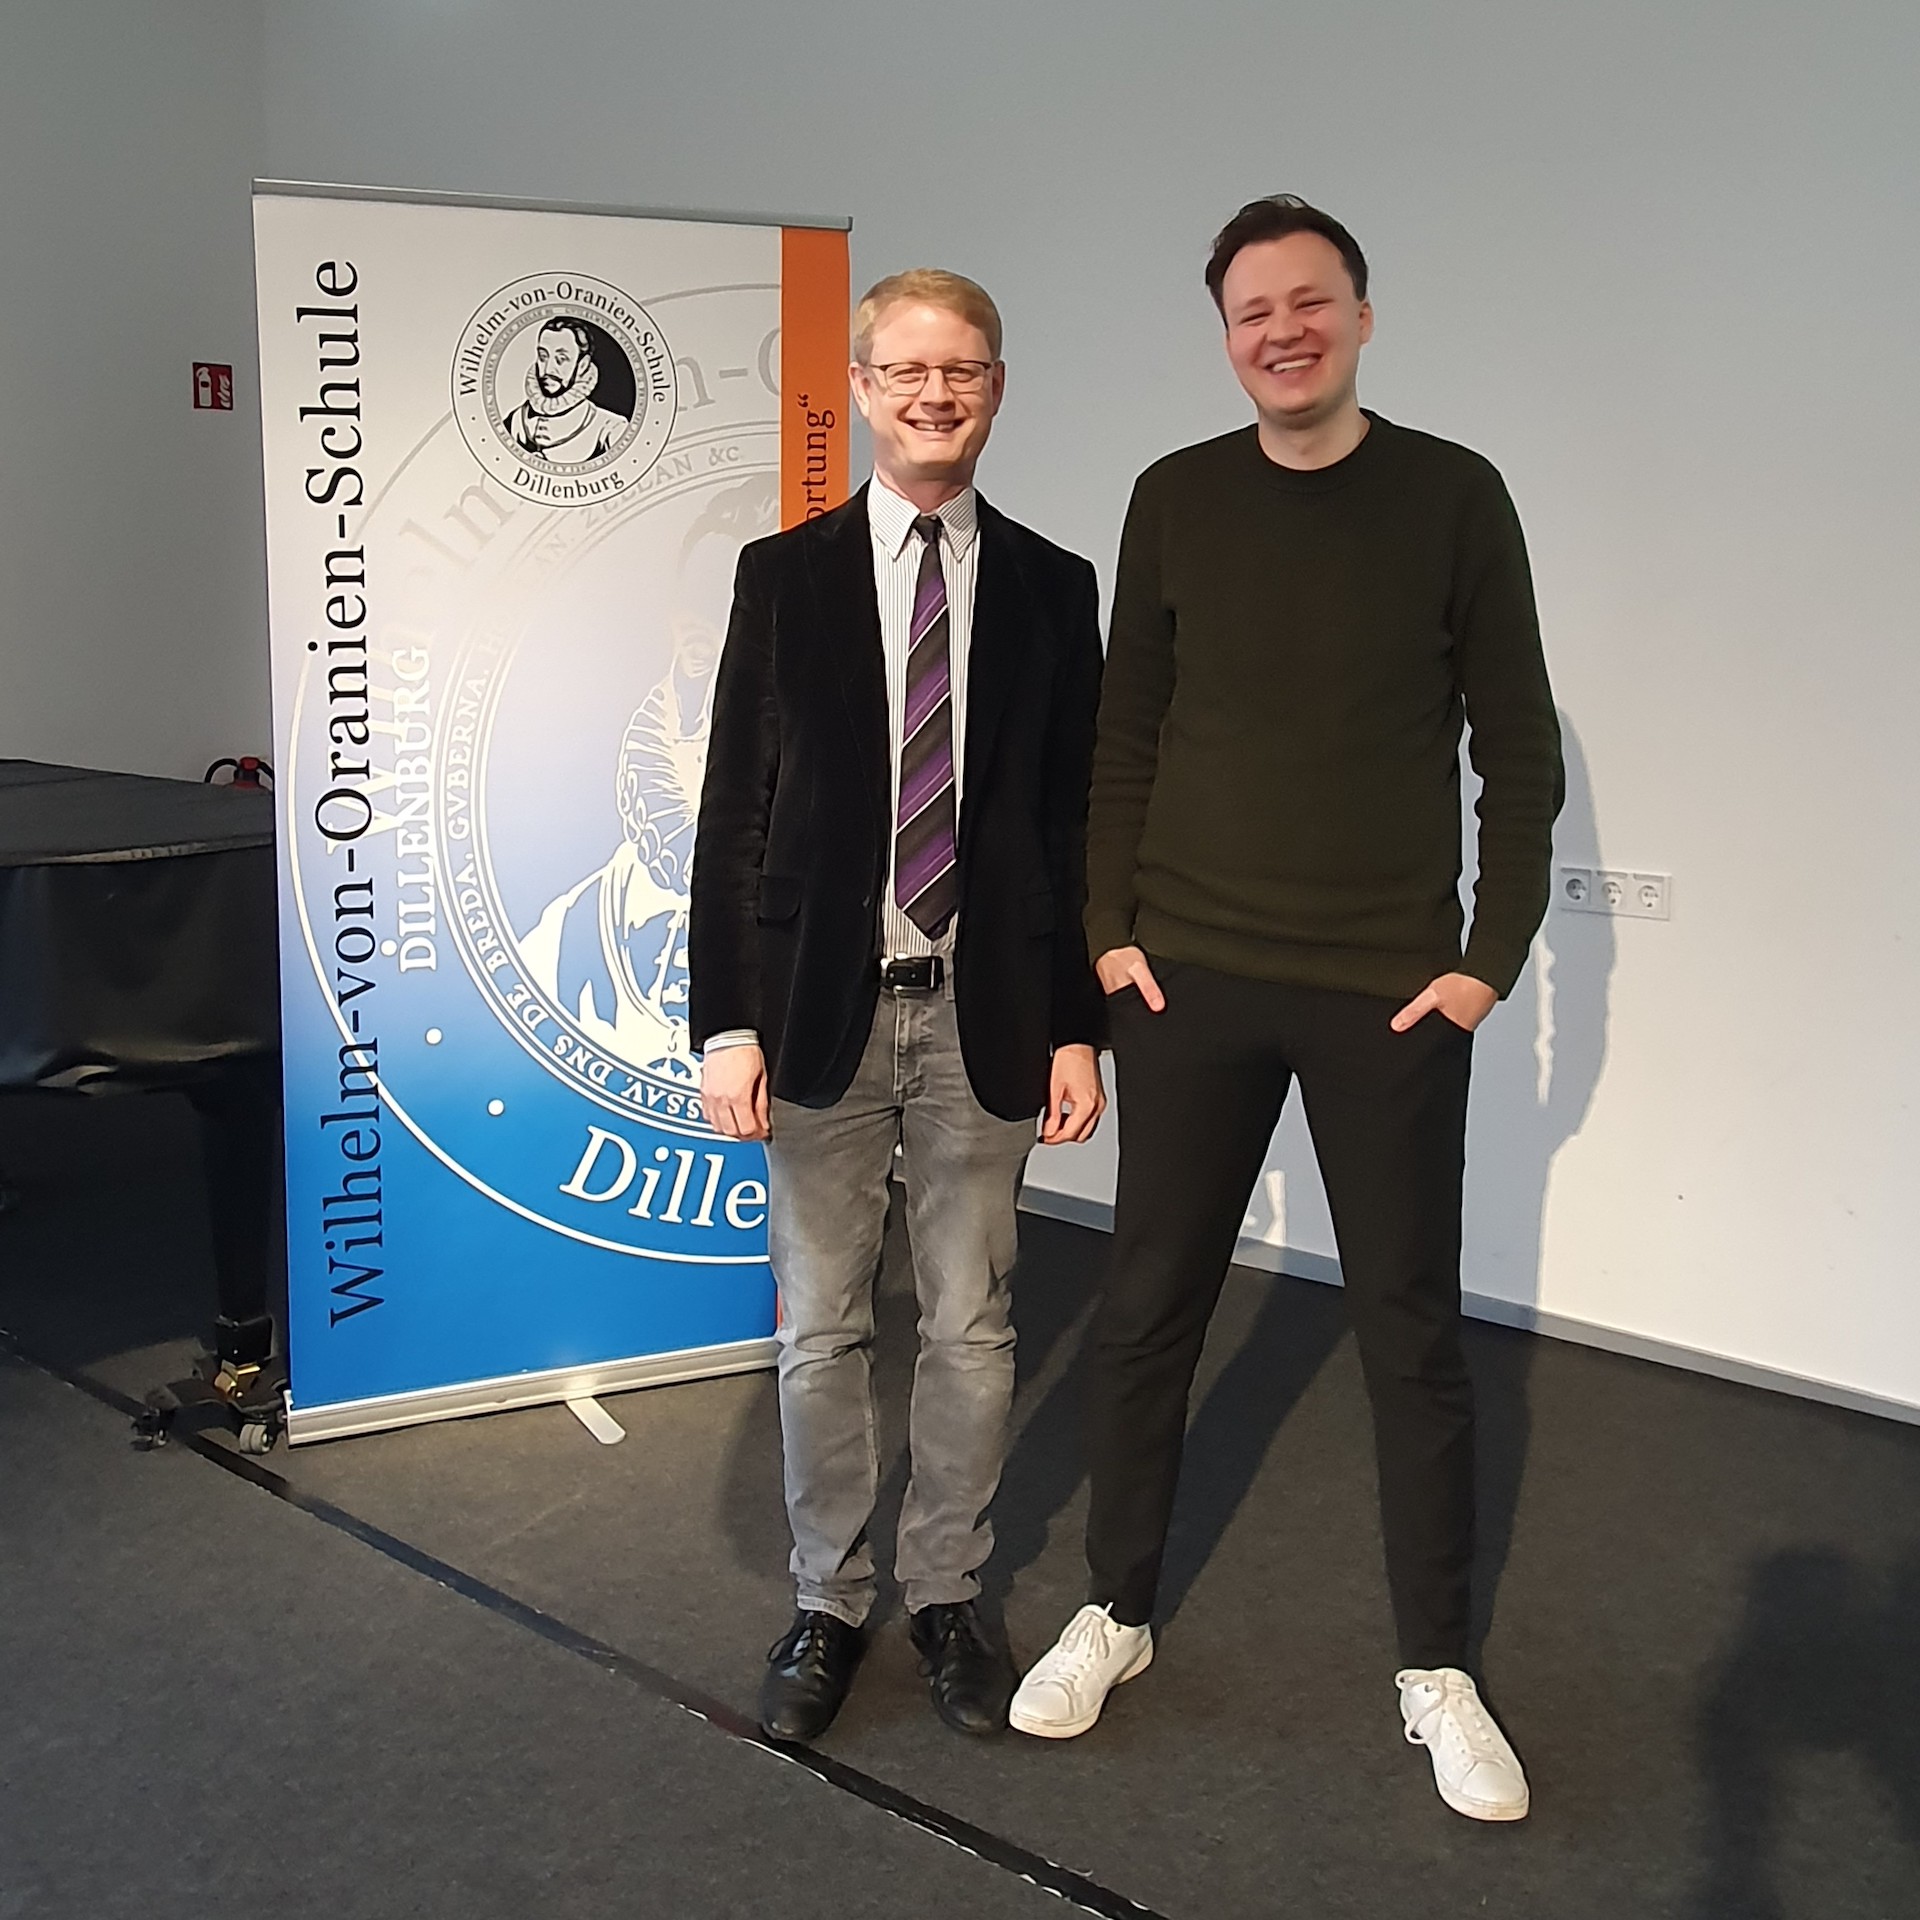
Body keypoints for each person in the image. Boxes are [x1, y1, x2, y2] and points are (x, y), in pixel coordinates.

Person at [1010, 198, 1564, 1824]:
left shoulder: (1455, 496)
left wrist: (1489, 958)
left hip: (1389, 991)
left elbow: (1518, 749)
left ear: (1363, 317)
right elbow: (1126, 733)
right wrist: (1110, 938)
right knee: (1147, 1308)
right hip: (1190, 976)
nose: (1283, 331)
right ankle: (1115, 1610)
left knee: (1410, 1333)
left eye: (1310, 302)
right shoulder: (1175, 498)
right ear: (1228, 338)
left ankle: (1438, 1669)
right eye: (1253, 311)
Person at [689, 268, 1107, 1743]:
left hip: (986, 1011)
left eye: (964, 370)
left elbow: (1071, 824)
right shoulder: (783, 576)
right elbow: (735, 811)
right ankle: (826, 1600)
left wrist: (1077, 1022)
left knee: (972, 1329)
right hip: (823, 1012)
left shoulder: (1055, 585)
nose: (938, 394)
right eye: (909, 371)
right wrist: (726, 1021)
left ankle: (945, 1595)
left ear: (997, 388)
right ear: (863, 387)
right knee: (820, 1331)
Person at [504, 317, 629, 464]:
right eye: (543, 357)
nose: (548, 369)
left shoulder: (609, 427)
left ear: (582, 365)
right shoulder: (515, 421)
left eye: (561, 359)